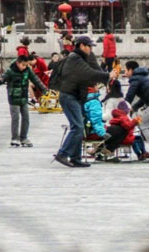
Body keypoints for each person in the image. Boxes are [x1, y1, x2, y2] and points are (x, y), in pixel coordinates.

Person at [54, 35, 116, 168]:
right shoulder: (75, 58)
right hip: (69, 96)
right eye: (89, 46)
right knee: (78, 126)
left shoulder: (82, 57)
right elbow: (88, 73)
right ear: (82, 46)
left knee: (79, 125)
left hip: (77, 96)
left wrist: (106, 78)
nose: (91, 49)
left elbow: (95, 68)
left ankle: (75, 158)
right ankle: (62, 154)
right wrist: (107, 75)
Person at [0, 55, 47, 148]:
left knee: (26, 118)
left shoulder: (28, 70)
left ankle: (24, 137)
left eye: (26, 65)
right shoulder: (10, 71)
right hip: (13, 97)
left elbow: (36, 80)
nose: (24, 67)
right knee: (15, 118)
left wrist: (44, 89)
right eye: (23, 65)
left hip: (23, 97)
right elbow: (2, 78)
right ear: (17, 63)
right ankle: (15, 138)